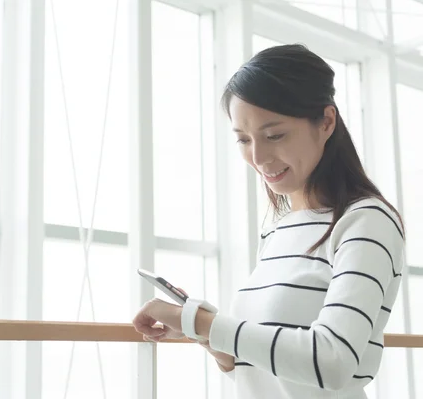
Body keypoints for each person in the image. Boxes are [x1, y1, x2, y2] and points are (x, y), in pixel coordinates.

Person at [132, 44, 405, 399]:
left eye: (274, 135)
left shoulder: (366, 222)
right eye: (244, 140)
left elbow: (333, 361)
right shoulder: (278, 228)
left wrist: (203, 323)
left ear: (326, 122)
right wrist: (211, 340)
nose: (258, 158)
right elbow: (270, 374)